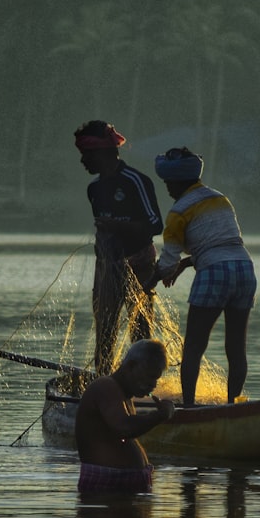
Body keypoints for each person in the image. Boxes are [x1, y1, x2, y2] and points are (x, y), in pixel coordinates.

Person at [151, 147, 256, 405]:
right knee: (236, 348)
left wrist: (151, 281)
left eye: (168, 183)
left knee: (194, 348)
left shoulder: (179, 211)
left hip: (214, 273)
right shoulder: (220, 199)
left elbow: (167, 261)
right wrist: (186, 265)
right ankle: (234, 405)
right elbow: (220, 243)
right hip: (244, 269)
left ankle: (187, 407)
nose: (167, 188)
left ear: (178, 182)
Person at [74, 120, 164, 375]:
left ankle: (144, 385)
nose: (83, 161)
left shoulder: (135, 181)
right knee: (104, 329)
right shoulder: (94, 189)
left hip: (139, 266)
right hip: (106, 268)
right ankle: (103, 382)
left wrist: (118, 226)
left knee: (140, 331)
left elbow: (156, 225)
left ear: (103, 152)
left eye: (86, 155)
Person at [76, 339, 176, 495]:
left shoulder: (124, 396)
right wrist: (160, 415)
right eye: (149, 377)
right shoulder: (105, 386)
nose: (153, 385)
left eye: (156, 379)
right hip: (106, 493)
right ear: (130, 366)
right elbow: (124, 427)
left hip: (121, 491)